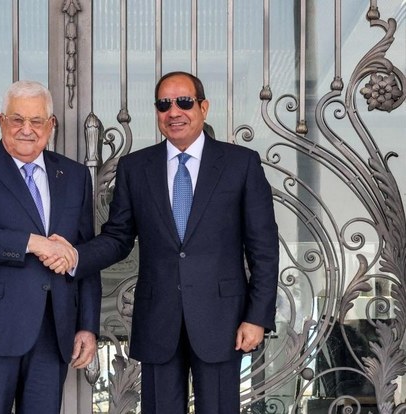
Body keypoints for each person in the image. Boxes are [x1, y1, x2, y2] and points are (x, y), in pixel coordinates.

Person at [48, 71, 279, 413]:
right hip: (158, 320)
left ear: (203, 107)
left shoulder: (240, 164)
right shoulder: (135, 167)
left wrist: (257, 316)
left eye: (184, 102)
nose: (174, 112)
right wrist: (74, 257)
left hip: (223, 321)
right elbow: (118, 237)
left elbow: (263, 248)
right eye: (164, 104)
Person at [0, 80, 101, 414]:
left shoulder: (74, 176)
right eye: (17, 119)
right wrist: (33, 243)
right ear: (2, 121)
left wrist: (87, 325)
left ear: (51, 125)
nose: (26, 129)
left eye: (36, 121)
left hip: (52, 333)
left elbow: (83, 254)